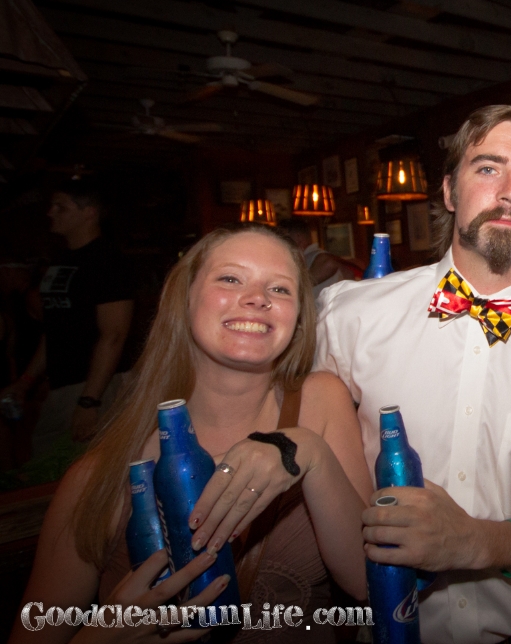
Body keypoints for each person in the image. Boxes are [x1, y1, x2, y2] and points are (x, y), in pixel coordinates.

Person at [314, 105, 511, 644]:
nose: (509, 191)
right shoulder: (349, 317)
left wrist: (477, 542)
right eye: (488, 168)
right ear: (450, 191)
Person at [13, 223, 370, 644]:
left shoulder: (320, 402)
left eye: (280, 289)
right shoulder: (99, 477)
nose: (258, 298)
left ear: (297, 318)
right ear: (184, 299)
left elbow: (368, 584)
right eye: (230, 279)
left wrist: (308, 452)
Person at [2, 177, 133, 456]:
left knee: (87, 466)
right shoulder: (62, 260)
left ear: (89, 213)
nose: (50, 212)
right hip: (63, 386)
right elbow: (54, 330)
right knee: (49, 461)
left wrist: (89, 400)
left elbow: (113, 335)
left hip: (96, 385)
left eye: (60, 207)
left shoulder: (107, 260)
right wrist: (26, 381)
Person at [278, 218, 353, 297]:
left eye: (285, 238)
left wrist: (296, 287)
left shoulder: (315, 256)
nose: (281, 242)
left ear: (298, 237)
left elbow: (329, 263)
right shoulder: (310, 257)